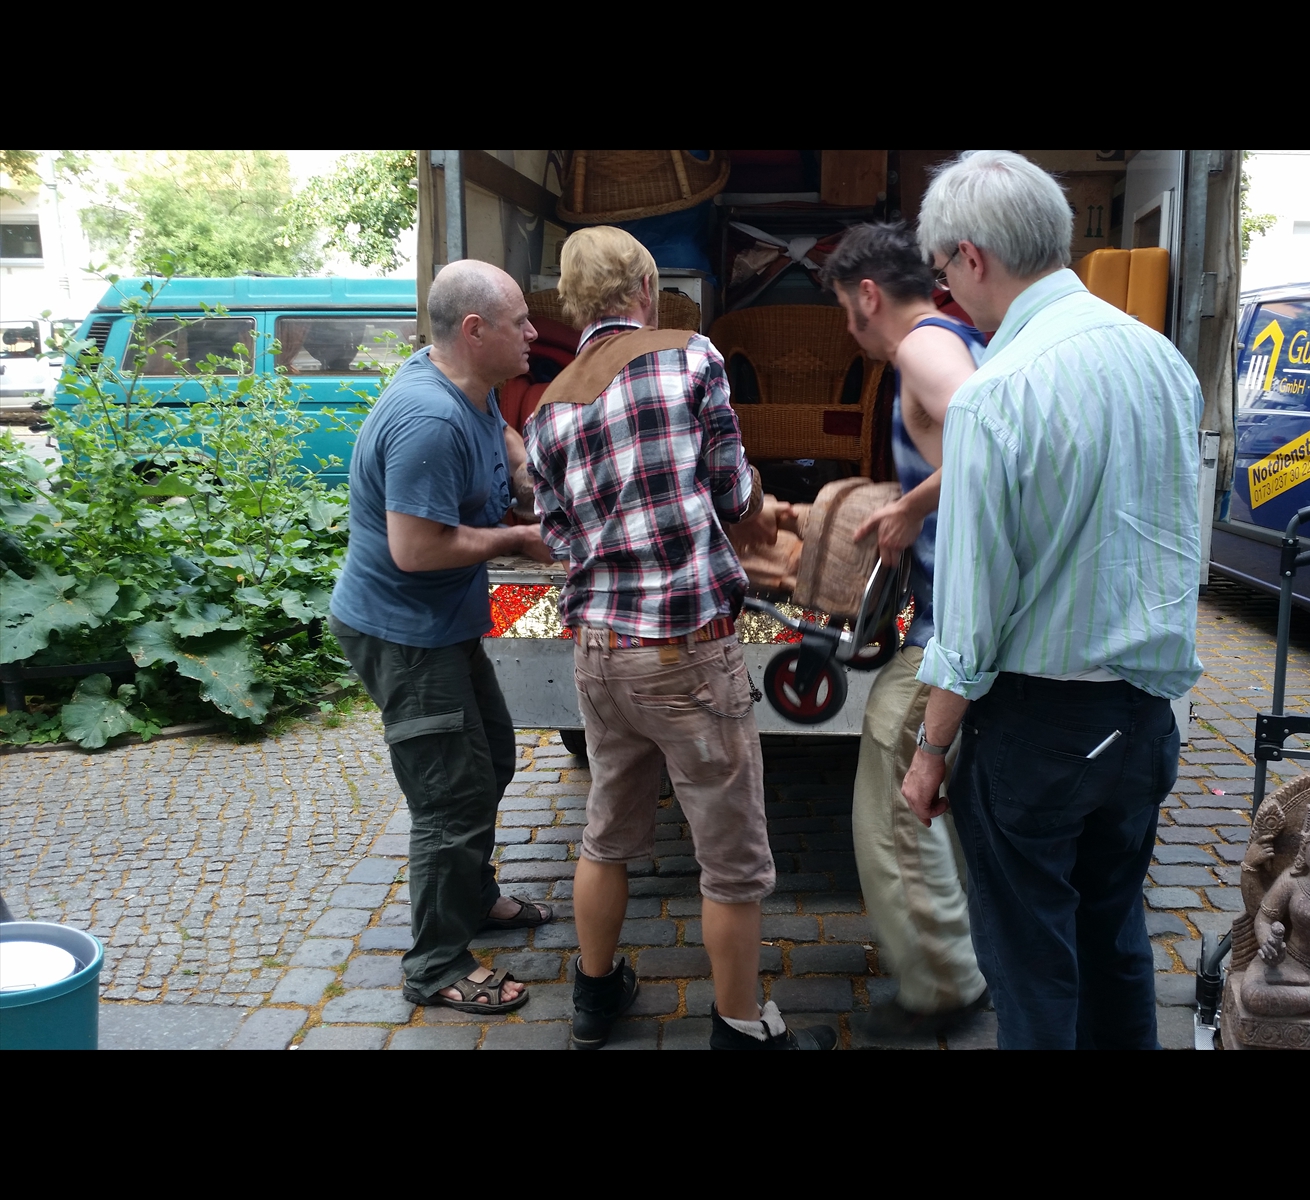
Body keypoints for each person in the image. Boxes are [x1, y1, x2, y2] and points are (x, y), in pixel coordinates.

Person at [904, 151, 1204, 1049]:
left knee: (1032, 969)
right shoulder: (1162, 362)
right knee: (1114, 942)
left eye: (945, 274)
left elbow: (969, 618)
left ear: (971, 257)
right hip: (1145, 721)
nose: (950, 295)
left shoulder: (996, 395)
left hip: (1037, 730)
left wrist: (930, 748)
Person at [523, 226, 835, 1050]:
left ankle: (594, 998)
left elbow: (557, 537)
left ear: (572, 302)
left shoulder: (548, 408)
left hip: (598, 651)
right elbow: (733, 493)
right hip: (685, 649)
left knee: (607, 833)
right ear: (646, 291)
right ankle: (739, 1025)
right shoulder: (689, 355)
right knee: (731, 857)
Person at [329, 259, 555, 1017]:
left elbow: (506, 438)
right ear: (473, 330)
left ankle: (473, 895)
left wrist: (533, 473)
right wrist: (517, 540)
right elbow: (416, 550)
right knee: (447, 797)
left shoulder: (470, 387)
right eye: (520, 321)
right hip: (404, 634)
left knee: (489, 756)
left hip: (444, 623)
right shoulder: (426, 419)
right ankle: (435, 963)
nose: (533, 332)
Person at [817, 222, 990, 1036]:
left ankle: (944, 984)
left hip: (953, 631)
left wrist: (911, 506)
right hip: (960, 624)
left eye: (846, 315)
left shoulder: (924, 350)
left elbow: (994, 442)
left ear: (868, 296)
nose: (850, 332)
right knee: (928, 802)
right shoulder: (963, 334)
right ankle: (961, 959)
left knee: (894, 800)